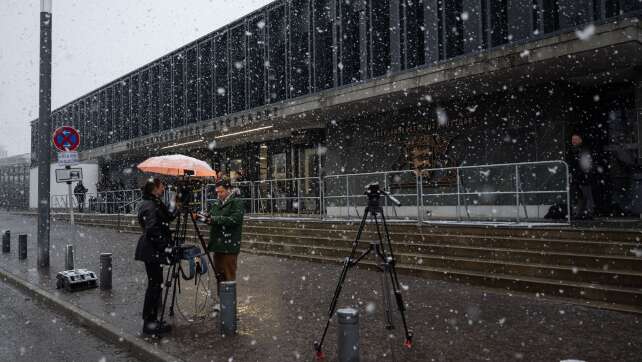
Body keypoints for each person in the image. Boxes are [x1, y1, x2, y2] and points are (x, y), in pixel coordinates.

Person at [134, 178, 179, 336]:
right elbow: (153, 230)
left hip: (151, 250)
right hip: (151, 251)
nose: (164, 189)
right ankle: (149, 324)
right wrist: (165, 247)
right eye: (162, 187)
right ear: (155, 189)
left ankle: (152, 320)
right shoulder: (151, 205)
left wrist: (174, 203)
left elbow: (168, 217)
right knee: (154, 286)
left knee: (155, 284)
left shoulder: (152, 202)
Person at [198, 177, 244, 306]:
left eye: (221, 191)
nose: (219, 194)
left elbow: (234, 220)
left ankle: (229, 304)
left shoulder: (236, 203)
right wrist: (204, 217)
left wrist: (214, 219)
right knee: (219, 275)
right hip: (217, 245)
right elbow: (212, 217)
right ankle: (221, 300)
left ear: (229, 190)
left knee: (229, 275)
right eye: (217, 192)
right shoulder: (217, 203)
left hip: (229, 246)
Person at [567, 133, 595, 220]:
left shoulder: (584, 149)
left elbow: (587, 164)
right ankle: (578, 213)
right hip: (576, 176)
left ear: (580, 140)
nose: (573, 141)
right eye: (572, 139)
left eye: (575, 139)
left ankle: (588, 212)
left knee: (586, 194)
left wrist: (586, 173)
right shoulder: (571, 150)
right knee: (578, 195)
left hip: (584, 176)